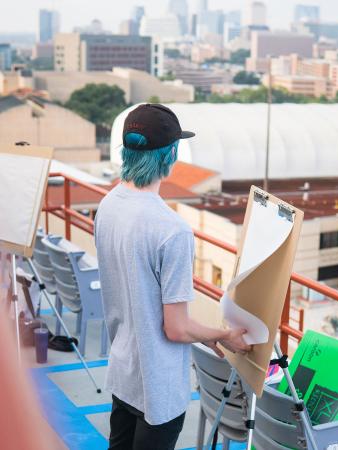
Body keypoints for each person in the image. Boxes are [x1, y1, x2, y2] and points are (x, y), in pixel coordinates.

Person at [95, 103, 251, 450]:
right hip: (158, 385)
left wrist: (207, 335)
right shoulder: (172, 230)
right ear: (171, 155)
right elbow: (176, 328)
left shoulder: (107, 206)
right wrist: (224, 335)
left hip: (124, 372)